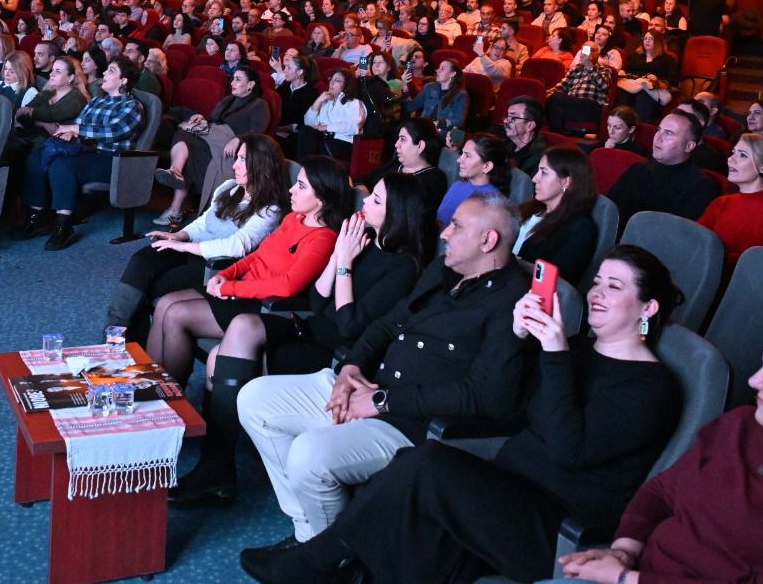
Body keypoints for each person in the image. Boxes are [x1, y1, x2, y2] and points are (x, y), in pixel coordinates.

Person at [242, 246, 683, 584]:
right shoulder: (576, 350)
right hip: (507, 488)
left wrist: (554, 352)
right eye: (598, 282)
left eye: (615, 287)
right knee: (413, 519)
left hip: (554, 524)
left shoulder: (652, 386)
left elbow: (568, 448)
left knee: (426, 464)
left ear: (648, 309)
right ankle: (340, 564)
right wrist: (519, 337)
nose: (597, 294)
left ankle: (319, 559)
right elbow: (519, 407)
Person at [236, 193, 532, 546]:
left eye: (456, 226)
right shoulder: (445, 269)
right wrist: (350, 368)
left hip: (409, 422)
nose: (444, 234)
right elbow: (389, 324)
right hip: (370, 384)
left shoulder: (514, 302)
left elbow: (482, 394)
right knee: (255, 398)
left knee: (307, 455)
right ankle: (310, 534)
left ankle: (326, 553)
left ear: (488, 240)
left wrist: (381, 401)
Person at [555, 321, 763, 584]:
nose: (752, 381)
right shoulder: (742, 426)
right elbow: (662, 492)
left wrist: (625, 579)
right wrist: (624, 551)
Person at [170, 172, 429, 510]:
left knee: (223, 354)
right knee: (238, 334)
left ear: (397, 213)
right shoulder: (359, 240)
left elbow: (349, 326)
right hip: (311, 329)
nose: (365, 202)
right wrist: (339, 255)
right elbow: (320, 303)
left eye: (376, 200)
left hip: (335, 354)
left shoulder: (403, 267)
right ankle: (215, 468)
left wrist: (345, 265)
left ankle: (216, 470)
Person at [147, 157, 348, 389]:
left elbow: (287, 285)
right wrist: (226, 275)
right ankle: (149, 385)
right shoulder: (294, 218)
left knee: (175, 314)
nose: (291, 189)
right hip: (242, 289)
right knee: (164, 304)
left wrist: (229, 287)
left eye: (301, 186)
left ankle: (168, 396)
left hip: (264, 306)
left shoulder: (323, 238)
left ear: (322, 198)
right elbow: (258, 255)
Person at [107, 134, 288, 344]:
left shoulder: (270, 209)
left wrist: (184, 247)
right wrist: (178, 236)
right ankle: (114, 333)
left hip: (219, 266)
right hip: (194, 250)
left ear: (260, 165)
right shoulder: (229, 187)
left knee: (152, 285)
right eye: (236, 158)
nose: (234, 165)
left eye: (242, 159)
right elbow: (203, 223)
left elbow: (237, 247)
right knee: (143, 259)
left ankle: (125, 346)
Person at [17, 57, 146, 251]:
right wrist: (71, 131)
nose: (104, 74)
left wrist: (77, 129)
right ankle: (36, 216)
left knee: (62, 165)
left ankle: (64, 225)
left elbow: (115, 132)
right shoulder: (96, 102)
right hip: (87, 150)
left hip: (113, 159)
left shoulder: (131, 106)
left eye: (111, 71)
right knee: (38, 156)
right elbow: (79, 123)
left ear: (124, 80)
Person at [154, 68, 271, 225]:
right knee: (183, 133)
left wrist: (238, 139)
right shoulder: (226, 101)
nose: (232, 83)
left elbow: (258, 131)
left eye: (238, 79)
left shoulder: (259, 105)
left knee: (185, 138)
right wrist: (201, 119)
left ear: (250, 84)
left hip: (229, 149)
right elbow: (212, 122)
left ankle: (175, 208)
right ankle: (176, 172)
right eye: (233, 79)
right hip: (209, 140)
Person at [698, 133, 763, 271]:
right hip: (705, 269)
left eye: (743, 155)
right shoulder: (721, 202)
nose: (730, 159)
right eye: (733, 153)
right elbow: (696, 239)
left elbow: (754, 263)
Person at [607, 108, 719, 226]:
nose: (657, 138)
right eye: (659, 130)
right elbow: (610, 208)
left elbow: (677, 234)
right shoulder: (638, 169)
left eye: (668, 133)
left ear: (689, 146)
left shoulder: (701, 186)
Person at [517, 147, 600, 284]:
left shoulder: (581, 228)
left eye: (543, 173)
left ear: (566, 182)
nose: (534, 179)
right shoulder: (532, 208)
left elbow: (558, 280)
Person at [365, 118, 449, 221]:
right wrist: (360, 186)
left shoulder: (434, 179)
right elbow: (367, 178)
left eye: (403, 139)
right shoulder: (396, 164)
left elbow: (410, 216)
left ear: (420, 146)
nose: (396, 144)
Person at [439, 133, 522, 225]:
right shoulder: (458, 185)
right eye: (462, 153)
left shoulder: (491, 203)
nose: (458, 160)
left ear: (487, 166)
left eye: (467, 156)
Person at [544, 41, 615, 136]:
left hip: (591, 107)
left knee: (556, 99)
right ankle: (557, 137)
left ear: (597, 54)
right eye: (584, 50)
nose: (586, 53)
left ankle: (555, 137)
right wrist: (547, 94)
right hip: (572, 106)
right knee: (553, 105)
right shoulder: (575, 69)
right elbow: (562, 86)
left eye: (591, 50)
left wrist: (589, 67)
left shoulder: (605, 70)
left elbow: (604, 86)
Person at [301, 69, 366, 162]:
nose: (331, 83)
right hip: (324, 138)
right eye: (331, 79)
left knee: (311, 143)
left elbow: (353, 127)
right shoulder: (326, 102)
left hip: (343, 143)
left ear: (346, 85)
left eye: (337, 80)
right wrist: (318, 101)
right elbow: (308, 123)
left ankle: (306, 169)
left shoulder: (354, 103)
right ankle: (305, 169)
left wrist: (325, 127)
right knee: (303, 132)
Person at [615, 30, 677, 123]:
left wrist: (657, 79)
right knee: (621, 92)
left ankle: (639, 125)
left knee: (643, 96)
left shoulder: (667, 59)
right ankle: (620, 122)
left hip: (652, 89)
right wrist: (622, 72)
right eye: (645, 39)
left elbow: (674, 80)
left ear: (658, 42)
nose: (647, 41)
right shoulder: (635, 56)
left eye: (650, 39)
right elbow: (626, 70)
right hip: (634, 85)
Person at [404, 56, 467, 137]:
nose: (437, 70)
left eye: (442, 68)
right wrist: (405, 87)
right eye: (438, 68)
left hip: (445, 132)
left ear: (452, 74)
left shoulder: (461, 95)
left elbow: (459, 121)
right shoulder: (429, 87)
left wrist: (440, 123)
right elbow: (410, 107)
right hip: (424, 128)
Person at [502, 96, 551, 179]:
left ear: (530, 125)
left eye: (513, 117)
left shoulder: (540, 157)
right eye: (507, 116)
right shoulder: (505, 144)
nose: (505, 121)